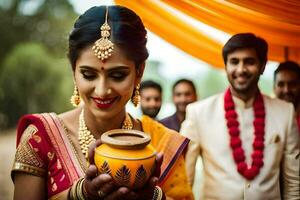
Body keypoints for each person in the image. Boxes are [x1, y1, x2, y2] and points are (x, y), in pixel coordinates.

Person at [11, 6, 194, 200]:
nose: (102, 90)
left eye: (117, 75)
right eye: (88, 75)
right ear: (74, 71)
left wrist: (155, 197)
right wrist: (79, 195)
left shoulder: (163, 142)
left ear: (139, 72)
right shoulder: (40, 138)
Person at [181, 33, 300, 199]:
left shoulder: (285, 113)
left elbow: (293, 183)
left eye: (249, 62)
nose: (241, 69)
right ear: (226, 66)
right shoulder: (198, 113)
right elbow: (184, 181)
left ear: (262, 66)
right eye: (234, 61)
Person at [274, 61, 300, 132]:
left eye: (292, 84)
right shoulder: (266, 115)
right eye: (281, 84)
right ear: (274, 88)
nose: (286, 90)